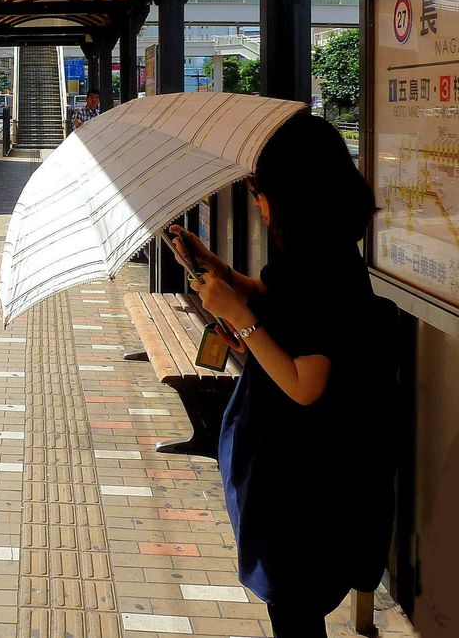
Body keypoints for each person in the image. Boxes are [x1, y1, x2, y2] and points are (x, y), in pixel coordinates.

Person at [169, 112, 397, 638]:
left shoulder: (327, 269)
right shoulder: (316, 253)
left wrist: (244, 321)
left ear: (294, 192)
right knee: (294, 607)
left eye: (260, 189)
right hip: (300, 469)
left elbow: (303, 383)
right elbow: (283, 306)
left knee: (294, 612)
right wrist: (219, 272)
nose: (257, 200)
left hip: (306, 481)